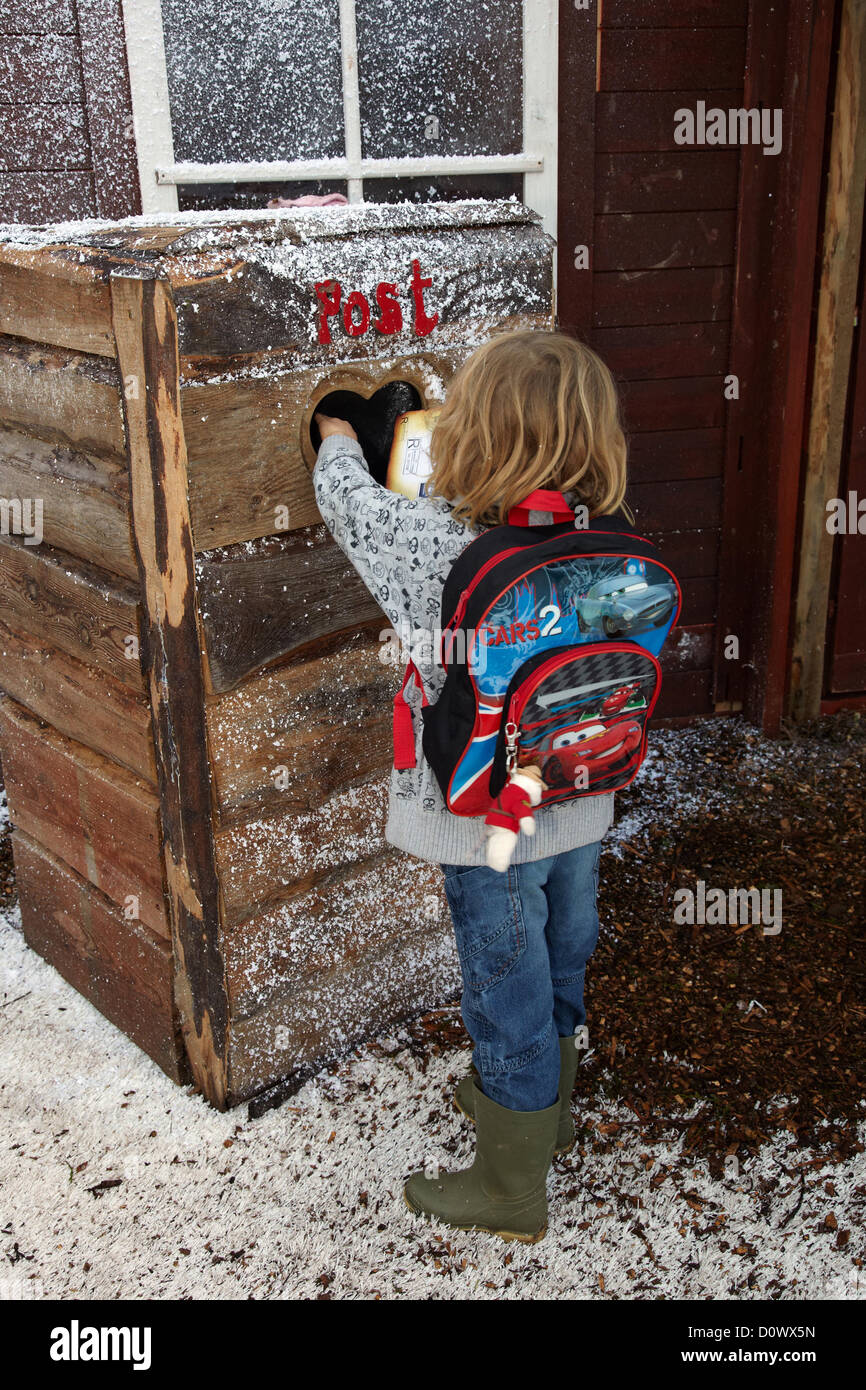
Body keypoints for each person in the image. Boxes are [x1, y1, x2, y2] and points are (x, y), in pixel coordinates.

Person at [312, 330, 628, 1243]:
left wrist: (338, 432)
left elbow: (347, 506)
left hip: (480, 813)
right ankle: (546, 1106)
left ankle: (510, 1182)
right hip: (580, 783)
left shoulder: (434, 545)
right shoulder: (609, 530)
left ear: (473, 437)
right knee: (563, 940)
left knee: (503, 976)